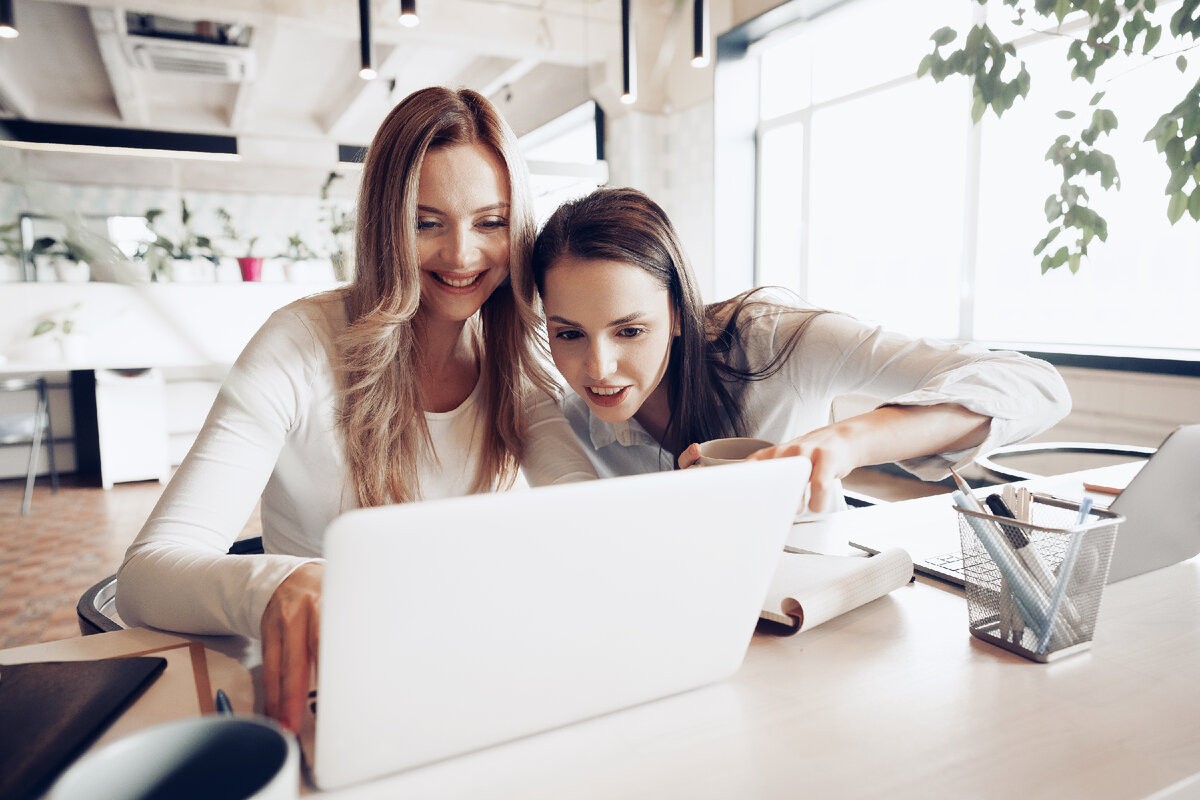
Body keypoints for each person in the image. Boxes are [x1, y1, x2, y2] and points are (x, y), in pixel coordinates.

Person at [117, 88, 596, 733]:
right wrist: (274, 586)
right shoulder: (296, 345)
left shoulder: (513, 354)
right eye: (426, 222)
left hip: (464, 673)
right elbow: (145, 575)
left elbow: (583, 507)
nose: (461, 255)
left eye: (490, 222)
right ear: (384, 227)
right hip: (329, 689)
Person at [531, 187, 1071, 511]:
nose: (597, 370)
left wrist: (849, 441)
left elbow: (1035, 385)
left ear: (677, 313)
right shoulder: (570, 423)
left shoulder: (776, 343)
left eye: (630, 331)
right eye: (570, 334)